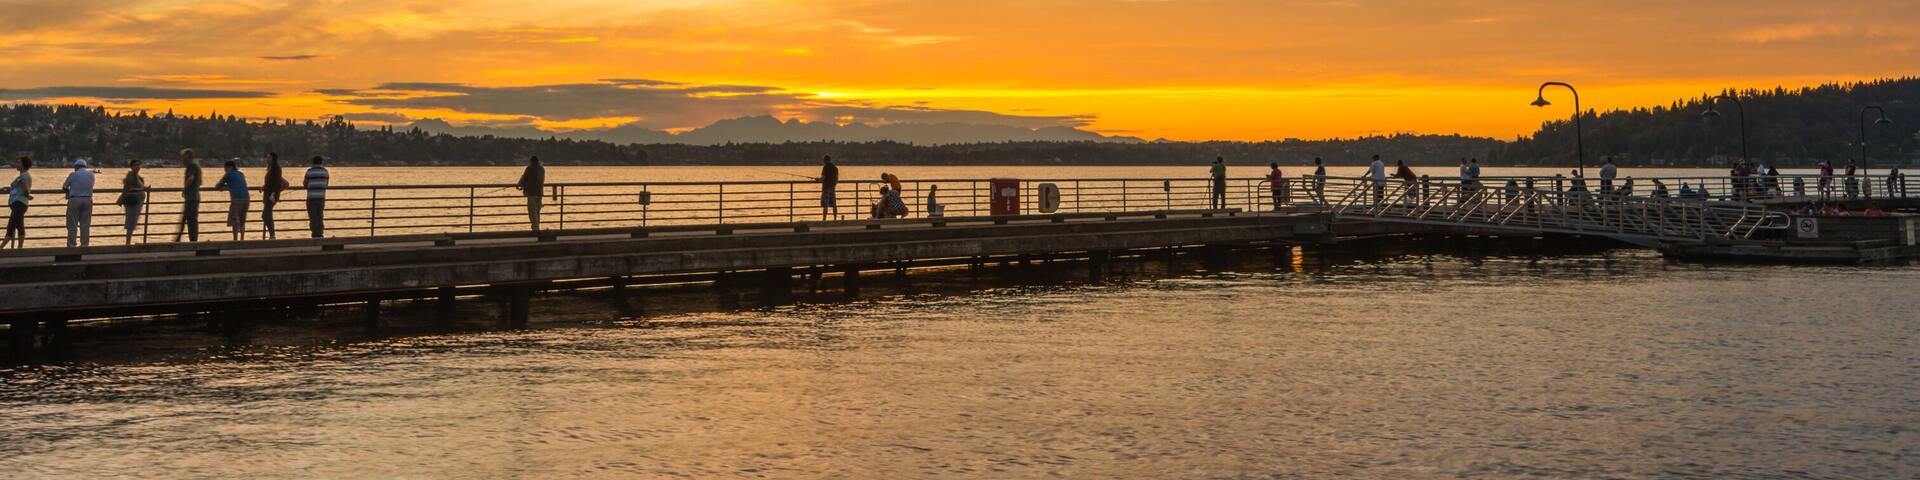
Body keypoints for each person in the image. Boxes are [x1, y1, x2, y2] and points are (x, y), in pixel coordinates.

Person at [60, 158, 97, 247]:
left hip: (75, 200)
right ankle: (84, 244)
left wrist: (68, 193)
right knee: (85, 224)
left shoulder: (73, 175)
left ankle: (72, 245)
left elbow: (64, 187)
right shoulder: (91, 175)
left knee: (72, 224)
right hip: (88, 200)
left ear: (76, 167)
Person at [213, 160, 249, 241]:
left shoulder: (228, 174)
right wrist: (228, 186)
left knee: (235, 220)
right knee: (242, 220)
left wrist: (222, 186)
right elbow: (237, 184)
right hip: (246, 198)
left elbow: (218, 186)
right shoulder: (241, 174)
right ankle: (242, 240)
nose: (224, 170)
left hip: (237, 198)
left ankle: (235, 240)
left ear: (230, 167)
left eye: (225, 168)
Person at [2, 156, 33, 249]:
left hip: (19, 203)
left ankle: (15, 248)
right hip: (17, 203)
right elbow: (18, 187)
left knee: (14, 226)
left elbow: (25, 188)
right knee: (16, 225)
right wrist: (8, 188)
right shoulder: (22, 176)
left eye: (18, 163)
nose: (16, 164)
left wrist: (27, 195)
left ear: (23, 165)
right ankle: (18, 248)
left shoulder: (24, 176)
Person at [118, 158, 148, 244]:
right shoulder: (131, 175)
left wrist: (143, 189)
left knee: (133, 222)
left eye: (139, 165)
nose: (137, 167)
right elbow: (130, 188)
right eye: (135, 165)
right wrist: (142, 189)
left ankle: (128, 242)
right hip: (132, 202)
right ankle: (128, 243)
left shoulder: (138, 177)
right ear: (131, 167)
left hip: (137, 203)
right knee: (130, 222)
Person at [176, 148, 202, 242]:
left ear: (187, 156)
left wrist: (184, 189)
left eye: (183, 157)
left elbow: (191, 178)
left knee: (187, 219)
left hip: (191, 197)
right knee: (191, 219)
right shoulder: (197, 165)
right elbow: (200, 182)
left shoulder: (191, 166)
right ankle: (190, 240)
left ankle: (182, 240)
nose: (182, 159)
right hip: (196, 196)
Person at [261, 152, 288, 239]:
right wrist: (263, 187)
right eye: (267, 157)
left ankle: (272, 234)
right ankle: (272, 234)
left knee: (265, 214)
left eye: (269, 158)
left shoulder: (276, 168)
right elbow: (269, 182)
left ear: (273, 159)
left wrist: (273, 194)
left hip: (272, 195)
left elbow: (276, 182)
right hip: (268, 194)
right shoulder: (270, 168)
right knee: (268, 214)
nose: (267, 159)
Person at [516, 155, 546, 230]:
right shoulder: (542, 168)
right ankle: (537, 226)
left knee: (532, 212)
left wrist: (519, 185)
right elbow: (535, 179)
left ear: (531, 161)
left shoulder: (529, 168)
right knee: (537, 212)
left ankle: (535, 228)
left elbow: (524, 177)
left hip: (532, 193)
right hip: (540, 193)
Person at [304, 155, 330, 238]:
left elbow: (305, 184)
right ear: (322, 162)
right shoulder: (325, 171)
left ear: (313, 162)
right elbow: (326, 184)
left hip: (311, 197)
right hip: (321, 197)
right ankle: (320, 233)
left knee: (313, 217)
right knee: (320, 216)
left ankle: (315, 234)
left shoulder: (309, 171)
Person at [819, 155, 839, 220]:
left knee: (825, 205)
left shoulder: (825, 167)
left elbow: (822, 178)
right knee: (834, 205)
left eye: (824, 160)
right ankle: (835, 219)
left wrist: (817, 180)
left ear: (825, 160)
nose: (823, 161)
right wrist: (834, 185)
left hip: (826, 188)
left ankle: (824, 219)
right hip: (833, 187)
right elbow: (836, 179)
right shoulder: (835, 168)